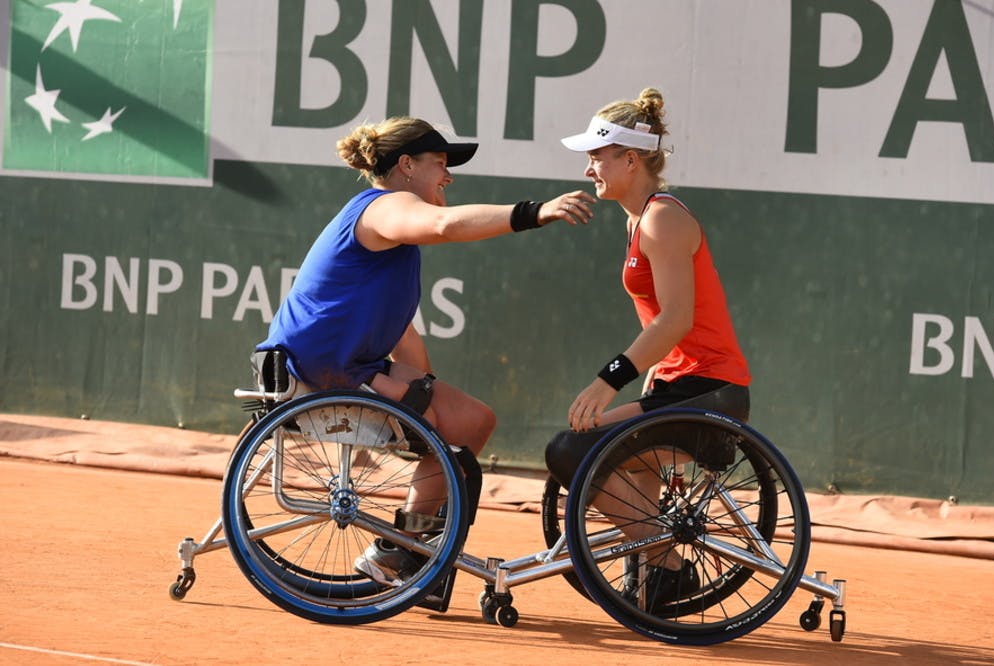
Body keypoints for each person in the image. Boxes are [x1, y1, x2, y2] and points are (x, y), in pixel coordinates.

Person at [257, 116, 594, 586]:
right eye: (440, 163)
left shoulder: (393, 236)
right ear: (407, 165)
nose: (449, 175)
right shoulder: (384, 207)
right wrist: (534, 212)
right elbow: (444, 223)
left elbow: (402, 334)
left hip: (354, 364)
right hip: (322, 366)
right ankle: (403, 552)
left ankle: (401, 548)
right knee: (437, 427)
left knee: (473, 422)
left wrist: (427, 392)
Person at [545, 88, 751, 610]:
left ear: (630, 159)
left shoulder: (663, 219)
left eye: (597, 156)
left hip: (712, 392)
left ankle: (667, 565)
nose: (589, 168)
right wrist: (652, 381)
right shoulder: (639, 219)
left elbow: (677, 319)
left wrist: (608, 379)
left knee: (569, 451)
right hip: (682, 384)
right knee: (622, 463)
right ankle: (661, 574)